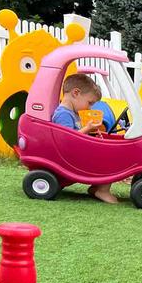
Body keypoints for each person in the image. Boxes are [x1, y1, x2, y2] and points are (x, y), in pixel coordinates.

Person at [52, 73, 118, 204]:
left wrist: (90, 130)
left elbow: (76, 133)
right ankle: (102, 190)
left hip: (76, 153)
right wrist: (87, 128)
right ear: (76, 93)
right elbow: (67, 139)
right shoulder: (63, 114)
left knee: (106, 147)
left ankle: (96, 187)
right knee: (110, 155)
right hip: (70, 157)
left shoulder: (72, 113)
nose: (90, 107)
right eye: (90, 102)